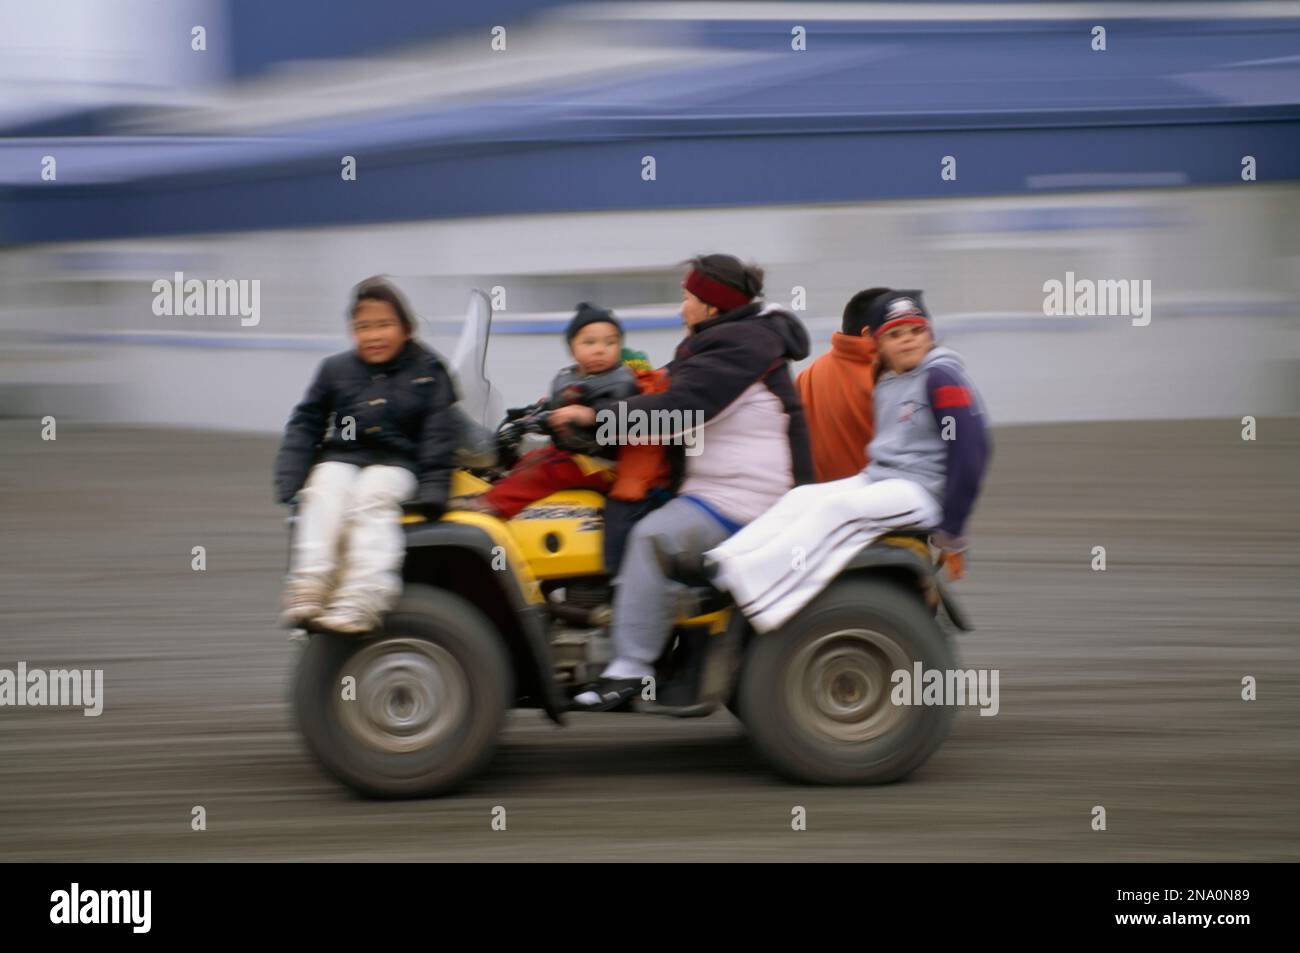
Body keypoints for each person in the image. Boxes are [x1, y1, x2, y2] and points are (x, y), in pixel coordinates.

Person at [549, 253, 813, 710]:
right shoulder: (719, 341)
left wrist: (595, 418)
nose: (680, 307)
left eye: (687, 297)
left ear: (711, 306)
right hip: (712, 489)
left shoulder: (741, 347)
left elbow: (678, 413)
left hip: (744, 498)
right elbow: (662, 394)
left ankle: (629, 668)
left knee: (652, 537)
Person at [698, 290, 991, 634]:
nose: (908, 341)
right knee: (802, 498)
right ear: (877, 343)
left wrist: (952, 534)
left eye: (916, 331)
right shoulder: (889, 379)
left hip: (922, 492)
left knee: (837, 511)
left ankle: (755, 592)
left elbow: (971, 451)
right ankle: (726, 562)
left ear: (929, 334)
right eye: (896, 334)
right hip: (882, 479)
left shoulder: (940, 376)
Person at [273, 277, 458, 633]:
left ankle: (364, 596)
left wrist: (436, 490)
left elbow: (439, 434)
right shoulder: (335, 369)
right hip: (344, 457)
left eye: (384, 325)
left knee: (372, 498)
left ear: (406, 328)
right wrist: (291, 477)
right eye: (363, 327)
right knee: (323, 490)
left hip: (398, 464)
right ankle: (309, 587)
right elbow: (305, 423)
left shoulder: (429, 372)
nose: (374, 336)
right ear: (351, 331)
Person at [454, 303, 641, 520]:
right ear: (573, 349)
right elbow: (558, 404)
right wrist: (529, 413)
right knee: (531, 457)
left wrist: (574, 418)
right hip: (576, 455)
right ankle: (496, 491)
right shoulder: (571, 376)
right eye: (589, 342)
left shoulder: (620, 382)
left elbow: (613, 418)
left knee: (550, 468)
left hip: (604, 463)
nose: (600, 349)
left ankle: (492, 505)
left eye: (611, 342)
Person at [796, 287, 890, 482]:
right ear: (868, 335)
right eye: (896, 332)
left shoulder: (808, 374)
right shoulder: (887, 379)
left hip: (817, 499)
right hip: (874, 500)